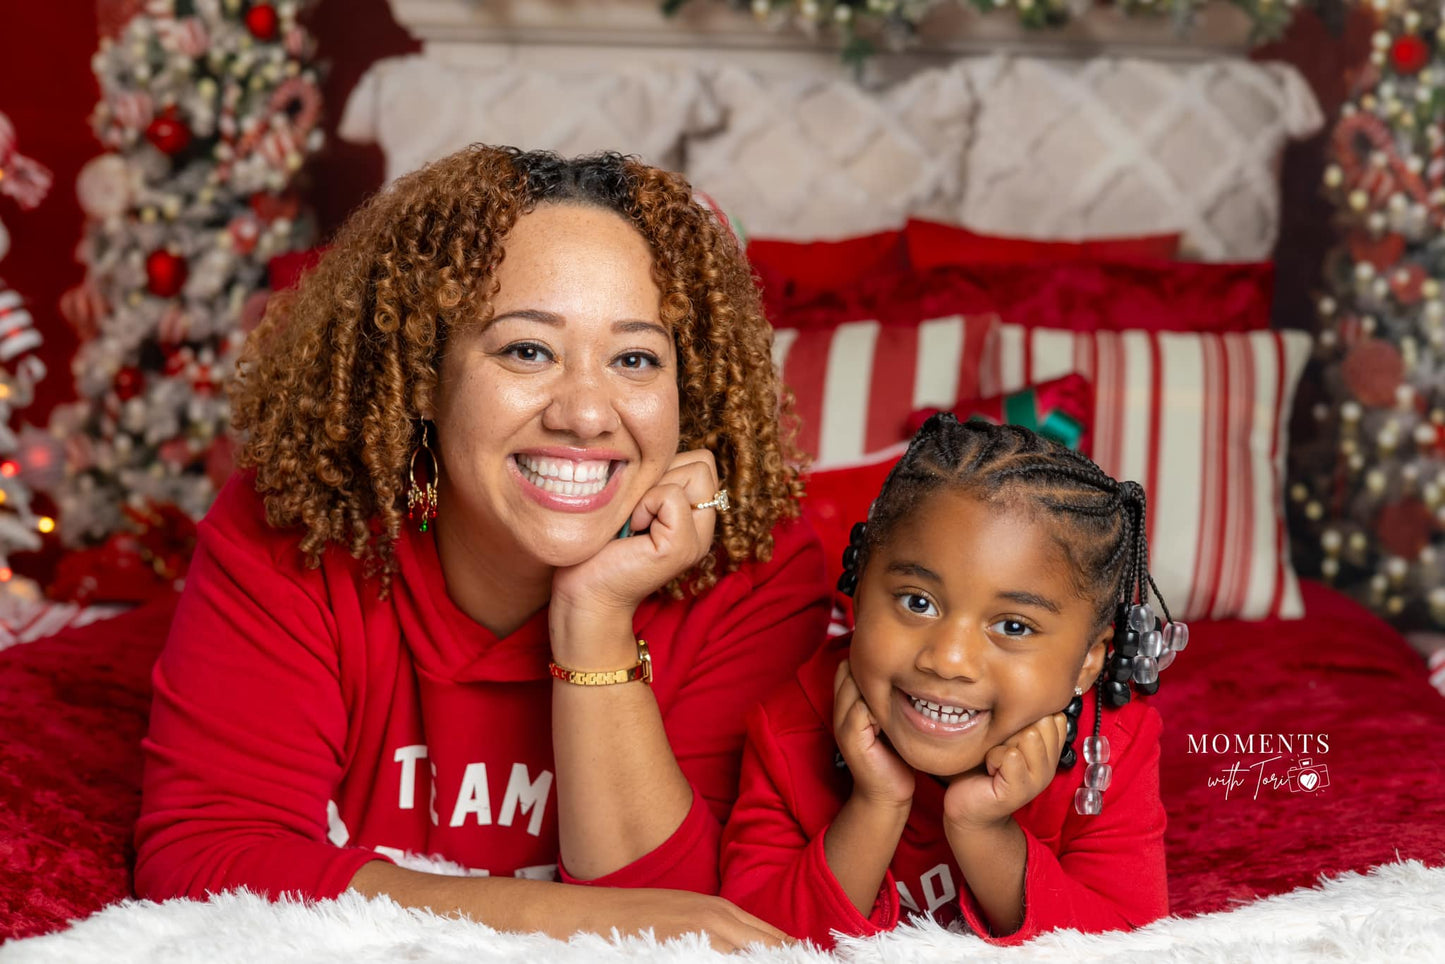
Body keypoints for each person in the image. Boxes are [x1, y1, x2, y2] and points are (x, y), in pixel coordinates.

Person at [134, 146, 831, 950]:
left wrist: (595, 613)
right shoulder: (302, 523)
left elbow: (690, 931)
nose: (586, 414)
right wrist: (564, 919)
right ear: (424, 374)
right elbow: (202, 853)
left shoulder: (755, 566)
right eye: (526, 350)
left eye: (635, 358)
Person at [720, 415, 1189, 947]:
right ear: (857, 584)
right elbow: (749, 944)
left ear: (1087, 661)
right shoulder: (789, 727)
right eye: (917, 602)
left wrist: (984, 831)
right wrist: (876, 805)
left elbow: (1130, 947)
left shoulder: (1109, 754)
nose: (948, 660)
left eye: (1013, 626)